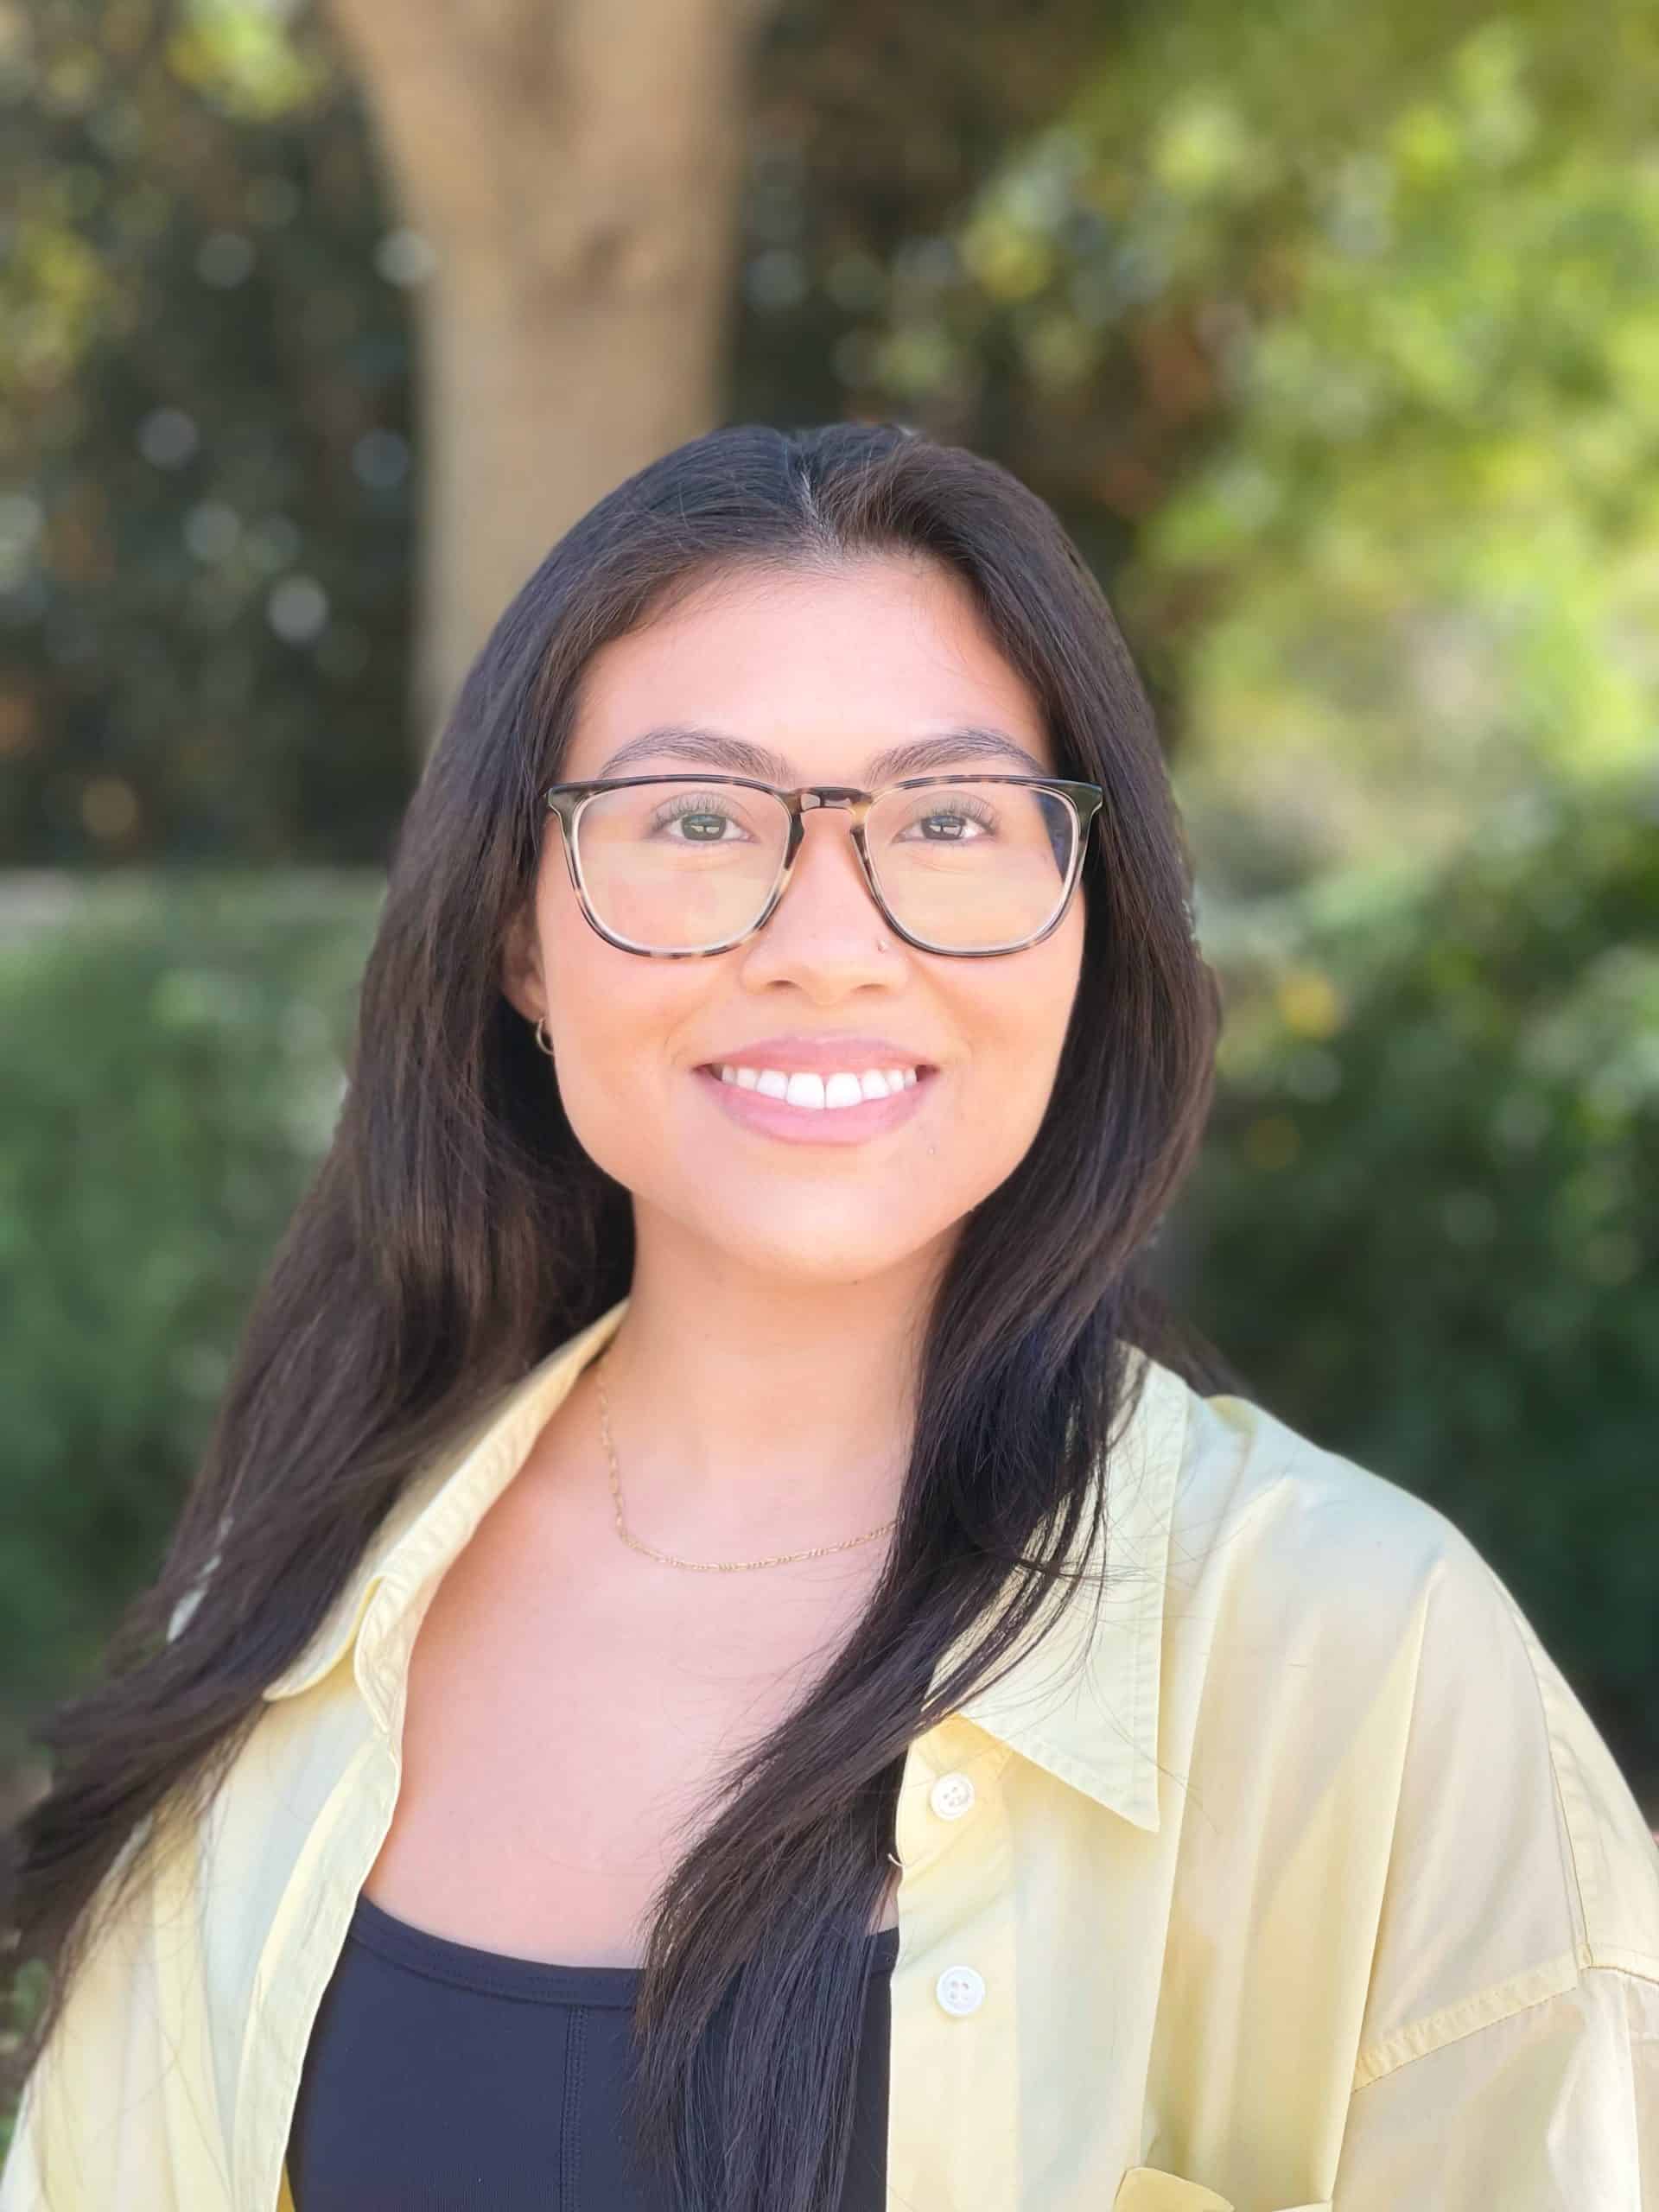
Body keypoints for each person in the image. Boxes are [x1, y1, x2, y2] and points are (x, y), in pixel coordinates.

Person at [2, 422, 1655, 2212]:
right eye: (698, 819)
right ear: (518, 936)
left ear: (1089, 929)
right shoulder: (289, 1599)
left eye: (945, 819)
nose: (827, 939)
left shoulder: (1362, 1660)